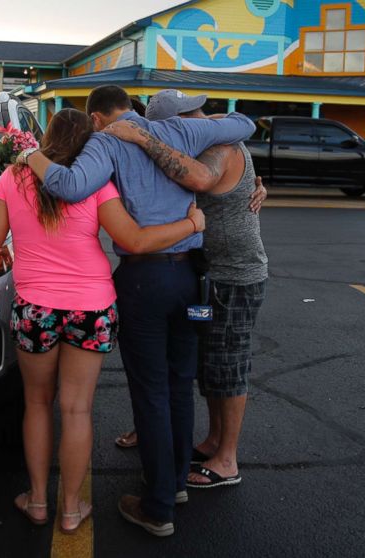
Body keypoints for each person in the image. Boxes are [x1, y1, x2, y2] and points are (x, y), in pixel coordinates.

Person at [0, 108, 204, 535]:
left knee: (38, 403)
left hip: (36, 308)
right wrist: (191, 223)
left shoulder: (14, 176)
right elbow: (134, 240)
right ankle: (70, 509)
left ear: (47, 138)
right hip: (91, 307)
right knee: (77, 408)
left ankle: (39, 502)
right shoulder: (97, 183)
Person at [19, 85, 256, 537]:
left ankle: (159, 505)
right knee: (179, 383)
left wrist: (33, 157)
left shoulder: (106, 141)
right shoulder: (179, 130)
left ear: (98, 118)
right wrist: (201, 126)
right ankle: (174, 482)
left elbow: (69, 186)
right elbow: (244, 123)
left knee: (150, 390)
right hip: (190, 278)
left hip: (143, 278)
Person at [105, 89, 268, 489]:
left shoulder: (220, 147)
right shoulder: (199, 145)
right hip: (202, 273)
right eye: (192, 114)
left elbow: (198, 177)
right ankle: (204, 440)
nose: (202, 116)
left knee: (228, 365)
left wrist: (141, 138)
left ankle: (226, 459)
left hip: (234, 275)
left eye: (198, 112)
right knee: (205, 364)